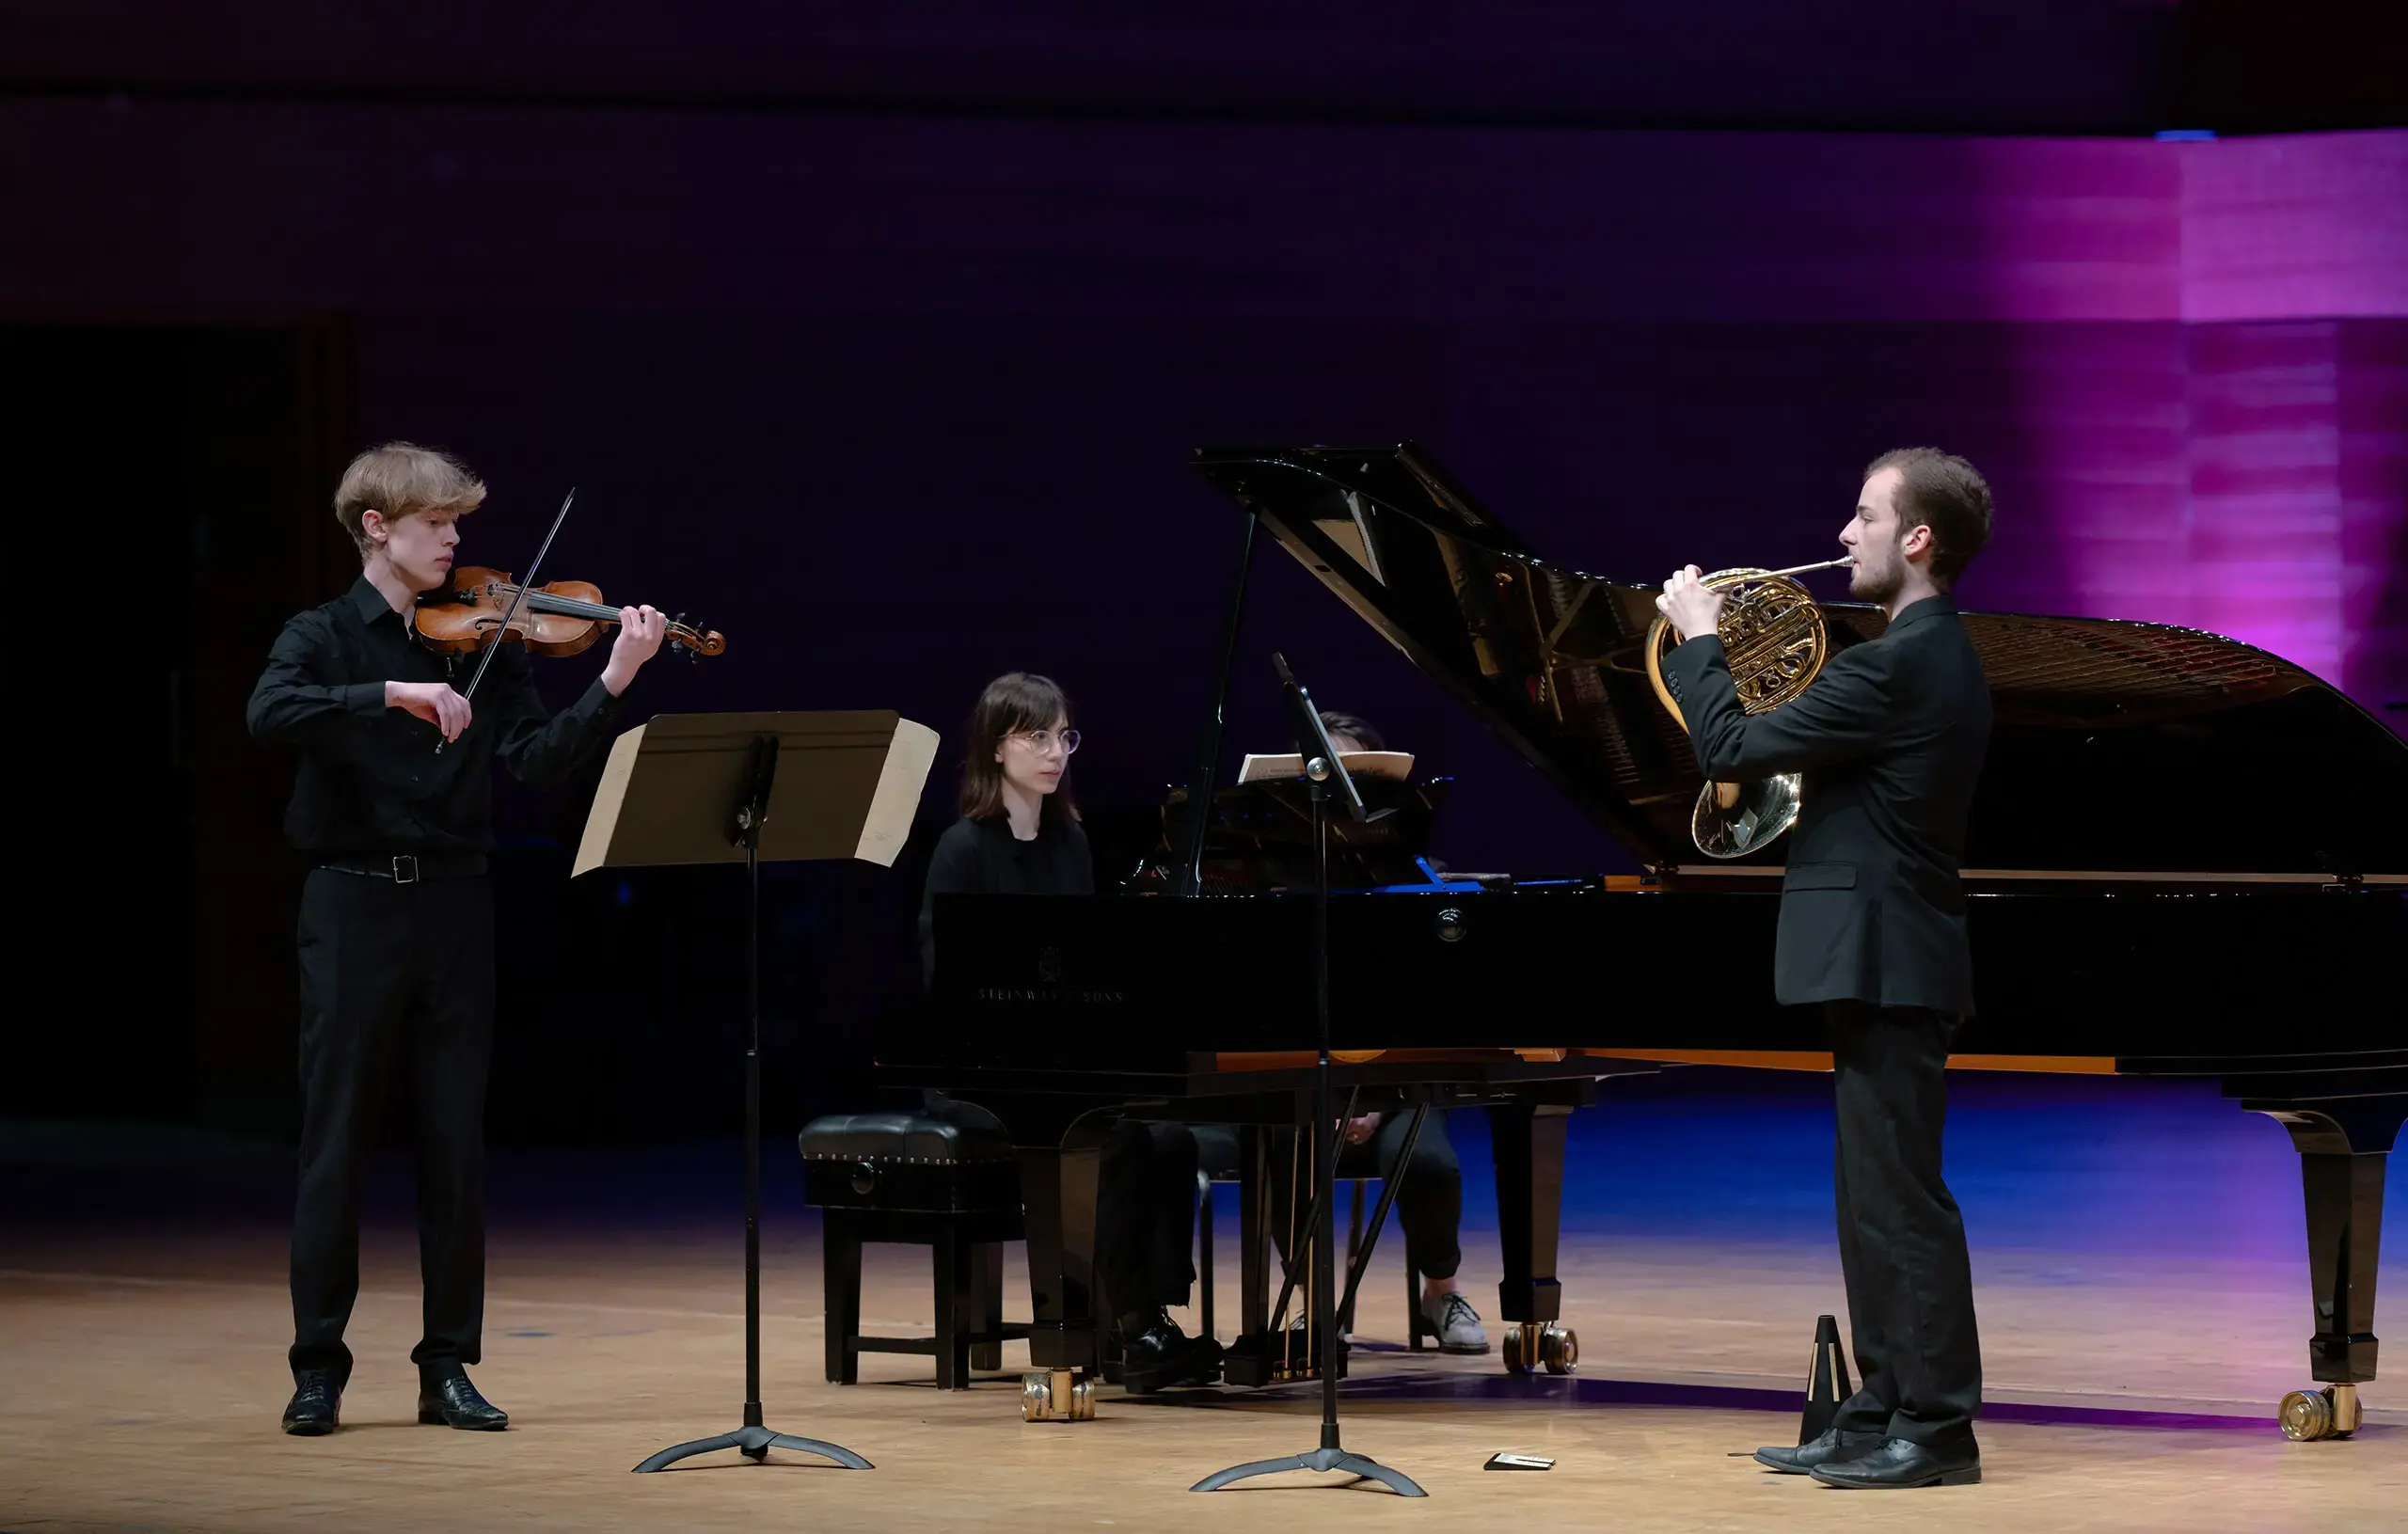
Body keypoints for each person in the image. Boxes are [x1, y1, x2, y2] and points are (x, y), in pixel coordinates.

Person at [247, 443, 668, 1437]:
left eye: (458, 522)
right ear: (378, 527)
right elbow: (268, 713)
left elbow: (534, 759)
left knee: (453, 1142)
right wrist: (390, 694)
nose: (456, 540)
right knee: (335, 1141)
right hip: (349, 904)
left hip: (454, 906)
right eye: (437, 521)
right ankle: (317, 1367)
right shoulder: (321, 636)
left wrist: (613, 675)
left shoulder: (492, 640)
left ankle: (448, 1367)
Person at [1655, 448, 1993, 1489]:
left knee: (1900, 1199)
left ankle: (1935, 1427)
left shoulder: (1899, 662)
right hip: (1879, 953)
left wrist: (1701, 639)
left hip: (1889, 953)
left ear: (1916, 538)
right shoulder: (1918, 655)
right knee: (1869, 1196)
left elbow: (1724, 744)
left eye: (1863, 515)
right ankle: (1878, 1405)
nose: (1844, 535)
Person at [919, 672, 1220, 1393]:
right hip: (981, 1071)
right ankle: (1134, 1325)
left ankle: (1142, 1320)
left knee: (1172, 1139)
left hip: (1058, 1063)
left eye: (1063, 735)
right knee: (1105, 1144)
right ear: (997, 749)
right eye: (1037, 736)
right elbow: (949, 984)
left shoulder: (1070, 843)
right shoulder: (962, 849)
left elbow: (1085, 967)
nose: (1055, 751)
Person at [1210, 710, 1489, 1353]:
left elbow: (1433, 1009)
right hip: (1298, 1091)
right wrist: (1322, 1099)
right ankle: (1314, 1302)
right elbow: (1255, 1009)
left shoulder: (1421, 884)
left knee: (1428, 1161)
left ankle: (1441, 1292)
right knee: (1282, 1144)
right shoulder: (1263, 892)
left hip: (1391, 1089)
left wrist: (1367, 1100)